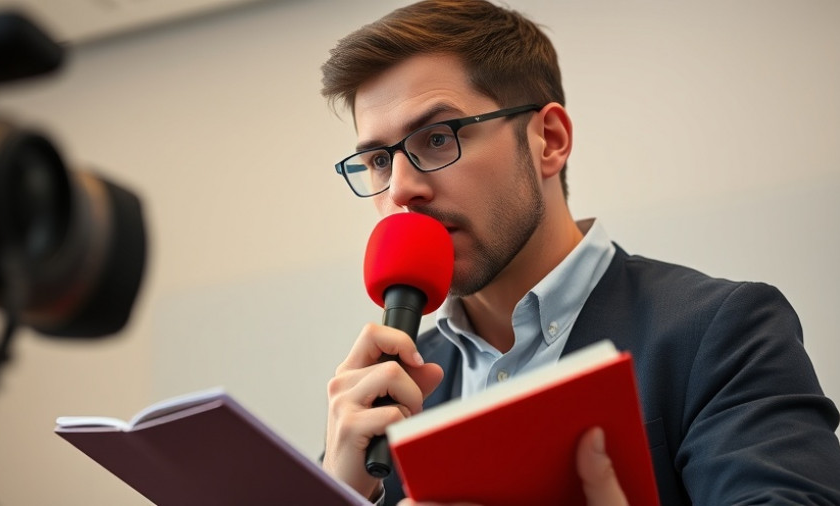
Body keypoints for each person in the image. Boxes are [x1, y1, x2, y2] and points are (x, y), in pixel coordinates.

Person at [318, 1, 840, 504]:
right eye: (379, 161)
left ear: (549, 139)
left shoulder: (720, 332)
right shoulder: (390, 394)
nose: (401, 190)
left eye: (436, 139)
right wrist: (337, 495)